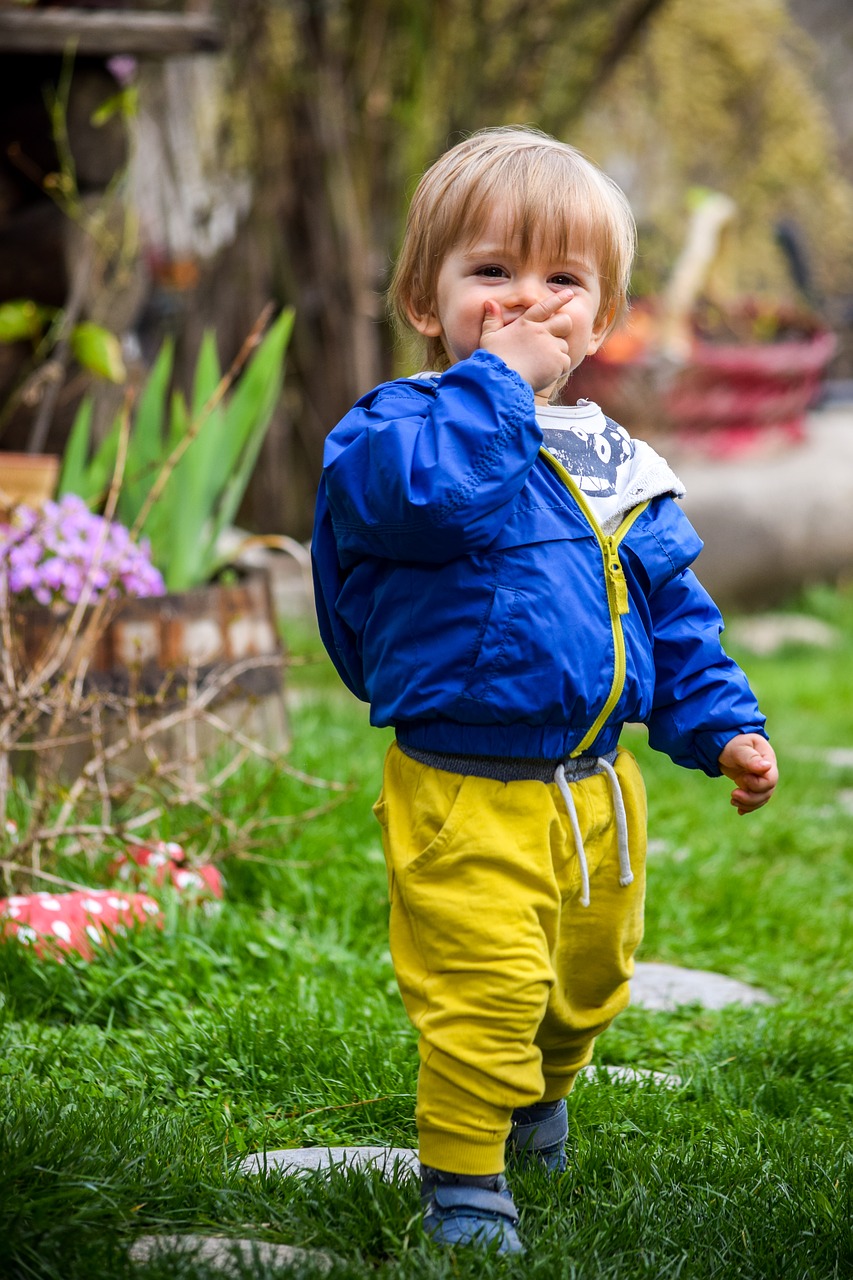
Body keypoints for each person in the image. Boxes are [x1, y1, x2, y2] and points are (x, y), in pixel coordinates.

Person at [311, 126, 778, 1255]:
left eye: (560, 280)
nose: (527, 301)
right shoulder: (398, 431)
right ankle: (465, 1176)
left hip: (595, 788)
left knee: (585, 983)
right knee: (483, 986)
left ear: (602, 318)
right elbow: (436, 505)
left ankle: (540, 1089)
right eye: (491, 274)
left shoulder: (619, 460)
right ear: (427, 302)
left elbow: (671, 608)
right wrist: (497, 387)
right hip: (463, 785)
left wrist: (722, 722)